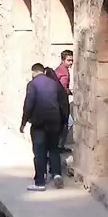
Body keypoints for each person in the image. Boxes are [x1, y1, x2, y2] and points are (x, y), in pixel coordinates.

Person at [20, 63, 65, 191]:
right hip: (55, 122)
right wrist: (62, 122)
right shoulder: (54, 84)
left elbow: (28, 105)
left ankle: (40, 181)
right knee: (54, 149)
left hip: (39, 123)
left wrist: (23, 123)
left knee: (39, 152)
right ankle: (56, 174)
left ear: (33, 72)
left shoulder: (32, 84)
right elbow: (62, 104)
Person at [56, 50, 75, 151]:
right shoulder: (64, 72)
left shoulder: (59, 69)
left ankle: (59, 145)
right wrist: (70, 91)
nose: (71, 62)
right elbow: (62, 87)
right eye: (69, 60)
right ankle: (59, 145)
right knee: (68, 122)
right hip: (61, 102)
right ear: (63, 60)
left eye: (72, 60)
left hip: (58, 101)